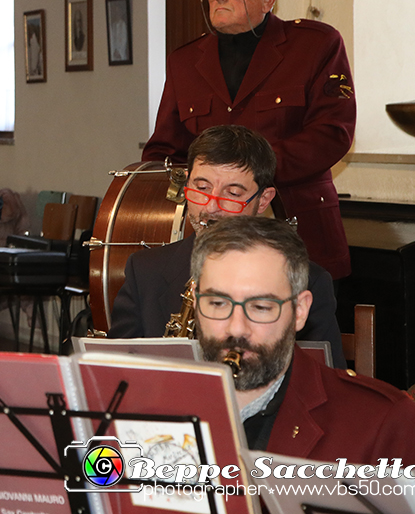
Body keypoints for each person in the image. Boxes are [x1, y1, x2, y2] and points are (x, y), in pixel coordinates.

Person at [144, 0, 356, 278]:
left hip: (299, 229)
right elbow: (163, 149)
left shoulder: (314, 46)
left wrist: (250, 173)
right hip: (209, 243)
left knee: (304, 329)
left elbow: (333, 133)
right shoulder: (184, 61)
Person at [191, 217, 415, 463]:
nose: (236, 328)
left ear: (300, 311)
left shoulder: (382, 422)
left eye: (261, 307)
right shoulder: (154, 401)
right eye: (218, 304)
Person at [110, 125, 344, 366]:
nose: (211, 207)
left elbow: (324, 383)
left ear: (263, 200)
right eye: (201, 188)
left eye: (232, 193)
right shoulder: (145, 271)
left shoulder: (309, 281)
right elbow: (116, 377)